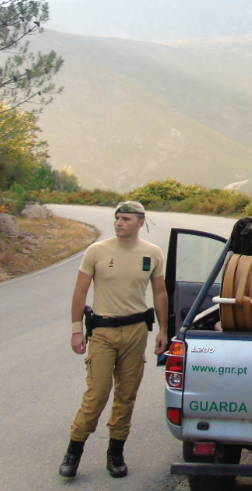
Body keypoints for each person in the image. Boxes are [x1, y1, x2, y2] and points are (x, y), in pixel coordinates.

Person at [60, 201, 169, 479]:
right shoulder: (97, 251)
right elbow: (79, 292)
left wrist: (164, 330)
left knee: (126, 395)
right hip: (103, 332)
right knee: (96, 394)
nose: (119, 223)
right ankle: (73, 452)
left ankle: (115, 453)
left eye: (126, 219)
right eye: (117, 218)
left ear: (140, 223)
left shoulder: (152, 253)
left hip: (135, 332)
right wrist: (76, 330)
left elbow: (160, 294)